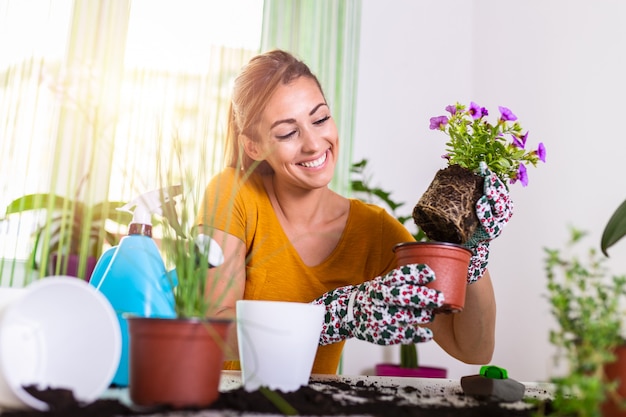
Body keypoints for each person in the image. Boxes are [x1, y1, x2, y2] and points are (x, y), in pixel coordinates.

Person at [198, 49, 511, 375]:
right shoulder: (232, 194)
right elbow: (211, 327)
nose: (314, 144)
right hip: (233, 401)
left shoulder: (373, 231)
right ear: (254, 146)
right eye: (288, 132)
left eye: (320, 119)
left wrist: (473, 252)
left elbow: (474, 349)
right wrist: (330, 317)